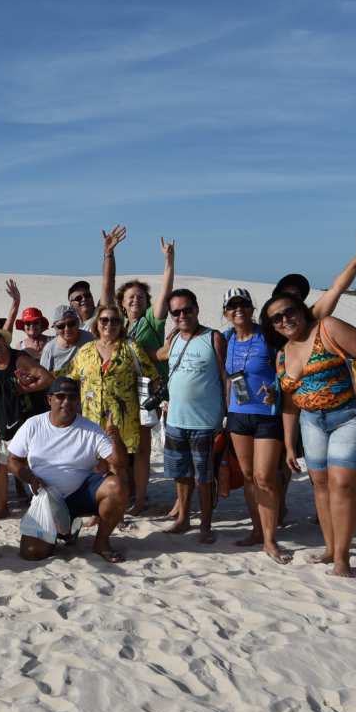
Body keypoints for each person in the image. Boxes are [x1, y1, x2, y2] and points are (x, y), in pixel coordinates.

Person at [268, 292, 356, 577]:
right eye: (277, 318)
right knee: (320, 484)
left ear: (303, 311)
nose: (285, 319)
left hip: (350, 417)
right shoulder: (282, 354)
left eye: (289, 311)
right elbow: (290, 403)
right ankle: (330, 548)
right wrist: (289, 444)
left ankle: (342, 558)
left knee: (342, 484)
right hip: (311, 422)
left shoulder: (328, 327)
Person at [7, 378, 125, 562]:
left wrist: (116, 438)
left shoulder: (91, 429)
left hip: (82, 494)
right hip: (47, 500)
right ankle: (66, 529)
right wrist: (29, 477)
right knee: (32, 553)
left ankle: (101, 543)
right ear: (49, 400)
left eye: (72, 397)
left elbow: (119, 462)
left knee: (116, 486)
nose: (66, 402)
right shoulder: (33, 424)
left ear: (78, 401)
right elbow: (13, 459)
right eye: (60, 397)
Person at [102, 227, 176, 513]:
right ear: (122, 303)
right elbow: (107, 289)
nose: (136, 301)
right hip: (118, 394)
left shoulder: (152, 322)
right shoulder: (115, 324)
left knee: (143, 448)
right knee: (114, 445)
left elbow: (165, 293)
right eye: (130, 298)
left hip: (145, 393)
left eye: (140, 297)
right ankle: (122, 492)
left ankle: (141, 498)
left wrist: (168, 263)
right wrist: (109, 253)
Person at [220, 288, 288, 561]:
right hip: (238, 414)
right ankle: (257, 531)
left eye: (243, 304)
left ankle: (270, 540)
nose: (238, 310)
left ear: (251, 308)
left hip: (267, 414)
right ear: (226, 312)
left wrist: (277, 390)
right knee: (248, 476)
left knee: (265, 478)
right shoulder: (226, 339)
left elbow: (287, 368)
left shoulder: (268, 336)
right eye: (232, 306)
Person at [64, 305, 153, 513]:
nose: (109, 324)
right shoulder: (85, 350)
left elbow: (150, 376)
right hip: (92, 418)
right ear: (97, 323)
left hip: (123, 417)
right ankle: (102, 506)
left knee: (119, 463)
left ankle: (128, 505)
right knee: (98, 464)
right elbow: (69, 376)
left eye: (114, 320)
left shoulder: (131, 348)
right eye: (104, 320)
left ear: (121, 325)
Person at [155, 288, 227, 543]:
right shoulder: (174, 338)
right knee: (181, 475)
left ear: (197, 309)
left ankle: (206, 525)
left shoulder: (213, 338)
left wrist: (225, 416)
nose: (182, 315)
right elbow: (159, 355)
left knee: (204, 478)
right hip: (175, 420)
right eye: (176, 312)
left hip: (205, 423)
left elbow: (225, 378)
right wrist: (167, 342)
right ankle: (183, 518)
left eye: (187, 309)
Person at [0, 324, 51, 517]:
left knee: (30, 465)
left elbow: (47, 379)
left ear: (4, 340)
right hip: (3, 423)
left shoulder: (19, 359)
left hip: (25, 422)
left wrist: (24, 389)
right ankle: (2, 505)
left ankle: (44, 506)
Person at [40, 306, 86, 377]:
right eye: (61, 326)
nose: (67, 329)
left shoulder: (90, 339)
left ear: (78, 322)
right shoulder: (50, 349)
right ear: (55, 328)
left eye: (71, 324)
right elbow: (44, 376)